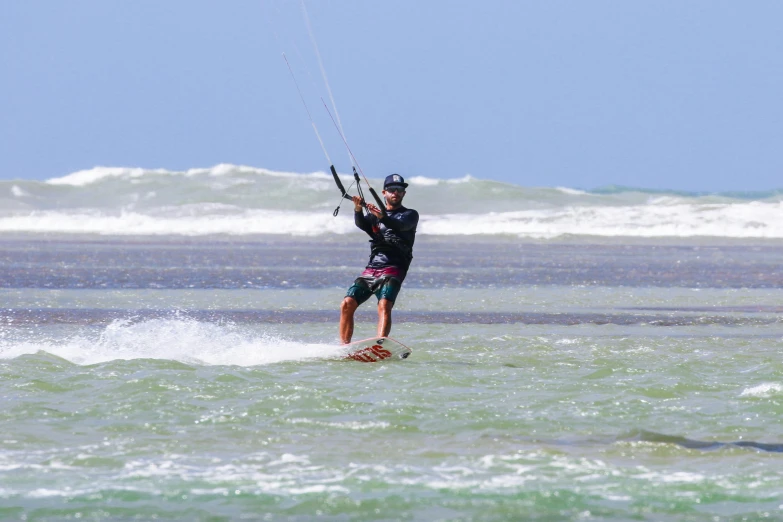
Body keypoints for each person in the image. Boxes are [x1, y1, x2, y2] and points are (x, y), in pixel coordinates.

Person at [339, 174, 419, 344]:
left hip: (394, 266)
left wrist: (383, 217)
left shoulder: (410, 215)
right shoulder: (374, 216)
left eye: (399, 190)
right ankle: (344, 346)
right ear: (384, 192)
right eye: (391, 190)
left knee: (384, 304)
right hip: (373, 267)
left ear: (404, 194)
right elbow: (362, 224)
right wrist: (358, 209)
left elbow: (399, 226)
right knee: (347, 303)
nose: (395, 193)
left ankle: (380, 342)